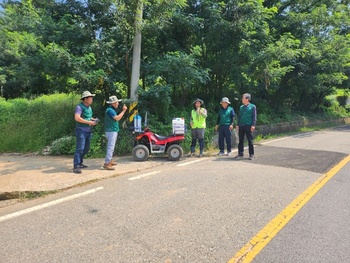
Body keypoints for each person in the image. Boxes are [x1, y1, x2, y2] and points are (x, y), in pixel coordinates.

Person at [73, 91, 98, 174]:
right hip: (81, 130)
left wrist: (93, 120)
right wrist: (90, 122)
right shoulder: (79, 107)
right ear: (85, 99)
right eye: (90, 98)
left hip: (88, 131)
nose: (92, 99)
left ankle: (80, 163)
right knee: (80, 148)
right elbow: (77, 118)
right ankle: (76, 166)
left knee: (86, 149)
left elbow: (88, 117)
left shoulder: (89, 108)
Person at [103, 95, 127, 170]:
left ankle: (110, 160)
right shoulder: (110, 110)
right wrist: (123, 111)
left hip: (112, 130)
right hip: (111, 131)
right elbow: (117, 118)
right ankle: (107, 163)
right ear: (113, 103)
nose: (118, 104)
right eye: (117, 102)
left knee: (111, 147)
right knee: (110, 147)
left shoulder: (111, 109)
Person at [235, 93, 257, 160]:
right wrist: (237, 124)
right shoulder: (241, 107)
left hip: (248, 125)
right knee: (240, 140)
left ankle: (251, 154)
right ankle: (240, 153)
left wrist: (253, 125)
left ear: (247, 99)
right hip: (241, 125)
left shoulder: (252, 106)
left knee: (250, 140)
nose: (242, 99)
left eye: (243, 98)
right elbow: (239, 116)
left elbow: (254, 116)